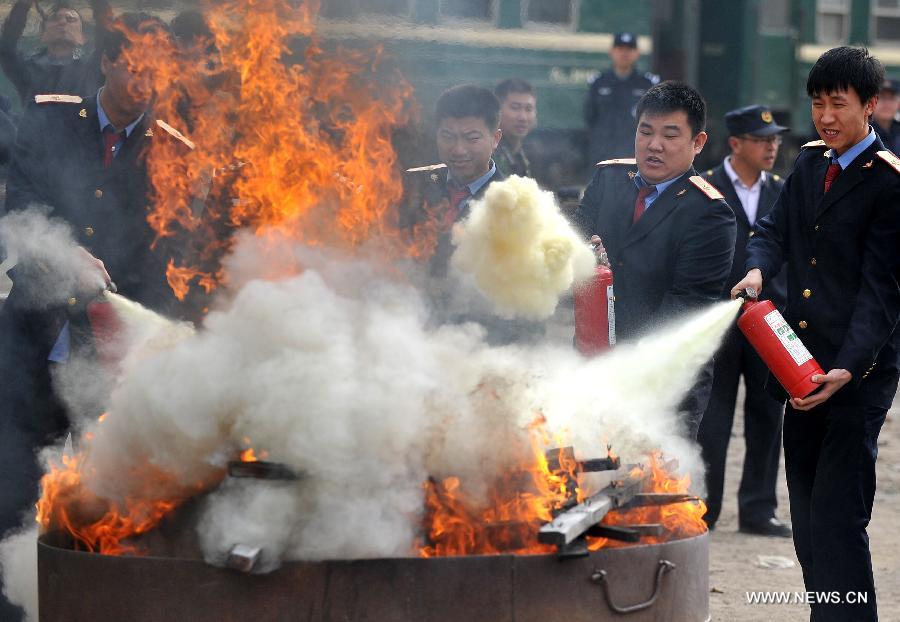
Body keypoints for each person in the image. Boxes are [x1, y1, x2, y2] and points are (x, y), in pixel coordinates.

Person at [0, 13, 191, 620]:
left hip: (111, 352)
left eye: (157, 69)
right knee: (11, 478)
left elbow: (172, 258)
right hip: (30, 338)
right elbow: (21, 203)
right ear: (106, 61)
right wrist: (64, 255)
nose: (145, 79)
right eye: (134, 64)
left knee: (88, 490)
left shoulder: (174, 151)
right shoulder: (52, 117)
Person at [732, 46, 900, 622]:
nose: (825, 116)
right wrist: (756, 267)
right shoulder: (808, 164)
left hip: (856, 376)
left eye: (838, 103)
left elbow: (883, 291)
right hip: (798, 368)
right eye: (817, 104)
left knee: (837, 520)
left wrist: (849, 368)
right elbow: (771, 233)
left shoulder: (888, 183)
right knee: (804, 520)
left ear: (870, 106)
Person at [573, 81, 736, 439]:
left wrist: (623, 365)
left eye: (670, 135)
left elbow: (685, 305)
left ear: (698, 143)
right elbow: (574, 236)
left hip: (664, 375)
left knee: (655, 485)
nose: (654, 145)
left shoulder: (710, 213)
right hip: (593, 362)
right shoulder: (609, 178)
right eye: (645, 131)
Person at [697, 104, 791, 537]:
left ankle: (758, 510)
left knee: (768, 414)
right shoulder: (706, 187)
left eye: (774, 139)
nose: (772, 146)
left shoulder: (781, 188)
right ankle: (705, 507)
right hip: (719, 320)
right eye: (762, 140)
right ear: (735, 144)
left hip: (770, 318)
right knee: (712, 416)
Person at [403, 84, 504, 278]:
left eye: (471, 138)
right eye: (448, 137)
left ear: (495, 138)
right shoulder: (413, 184)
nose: (458, 150)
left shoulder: (514, 204)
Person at [0, 0, 110, 106]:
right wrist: (23, 5)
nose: (62, 22)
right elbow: (7, 49)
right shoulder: (29, 70)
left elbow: (106, 42)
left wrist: (98, 3)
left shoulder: (91, 71)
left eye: (70, 19)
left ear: (82, 38)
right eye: (55, 18)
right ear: (43, 35)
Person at [584, 32, 659, 167]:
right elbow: (590, 116)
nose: (624, 54)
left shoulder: (647, 84)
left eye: (629, 50)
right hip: (603, 151)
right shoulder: (599, 83)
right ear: (612, 52)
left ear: (637, 53)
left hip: (634, 152)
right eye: (620, 49)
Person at [493, 78, 536, 178]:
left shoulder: (519, 155)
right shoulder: (487, 154)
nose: (523, 117)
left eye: (528, 109)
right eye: (515, 108)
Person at [872, 77, 900, 153]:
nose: (887, 104)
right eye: (882, 98)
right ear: (871, 102)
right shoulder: (862, 133)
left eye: (892, 98)